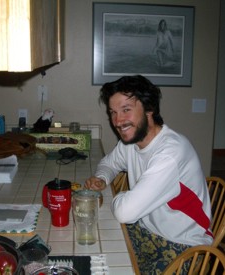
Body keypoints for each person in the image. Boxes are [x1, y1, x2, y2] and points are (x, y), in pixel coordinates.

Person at [85, 75, 213, 274]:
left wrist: (116, 196)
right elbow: (108, 163)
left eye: (126, 110)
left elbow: (124, 212)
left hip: (183, 247)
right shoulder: (131, 142)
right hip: (147, 231)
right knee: (96, 249)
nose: (118, 121)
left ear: (149, 109)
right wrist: (102, 178)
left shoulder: (170, 153)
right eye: (113, 112)